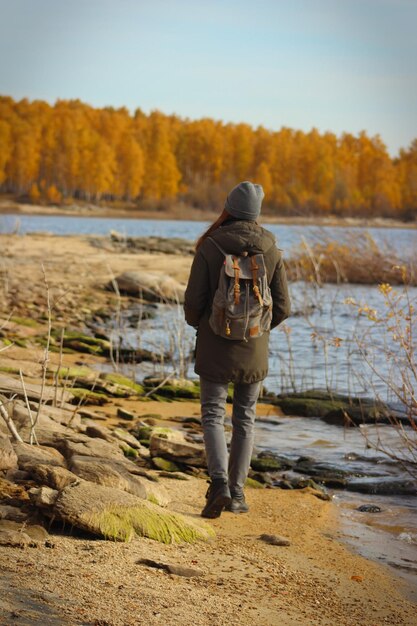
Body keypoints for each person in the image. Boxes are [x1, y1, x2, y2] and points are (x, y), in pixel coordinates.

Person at [184, 181, 290, 518]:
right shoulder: (271, 247)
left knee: (213, 414)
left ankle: (218, 486)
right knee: (245, 419)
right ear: (256, 213)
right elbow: (284, 306)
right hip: (253, 348)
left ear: (228, 208)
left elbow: (193, 303)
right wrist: (257, 331)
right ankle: (239, 494)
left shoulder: (210, 245)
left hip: (215, 343)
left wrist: (203, 326)